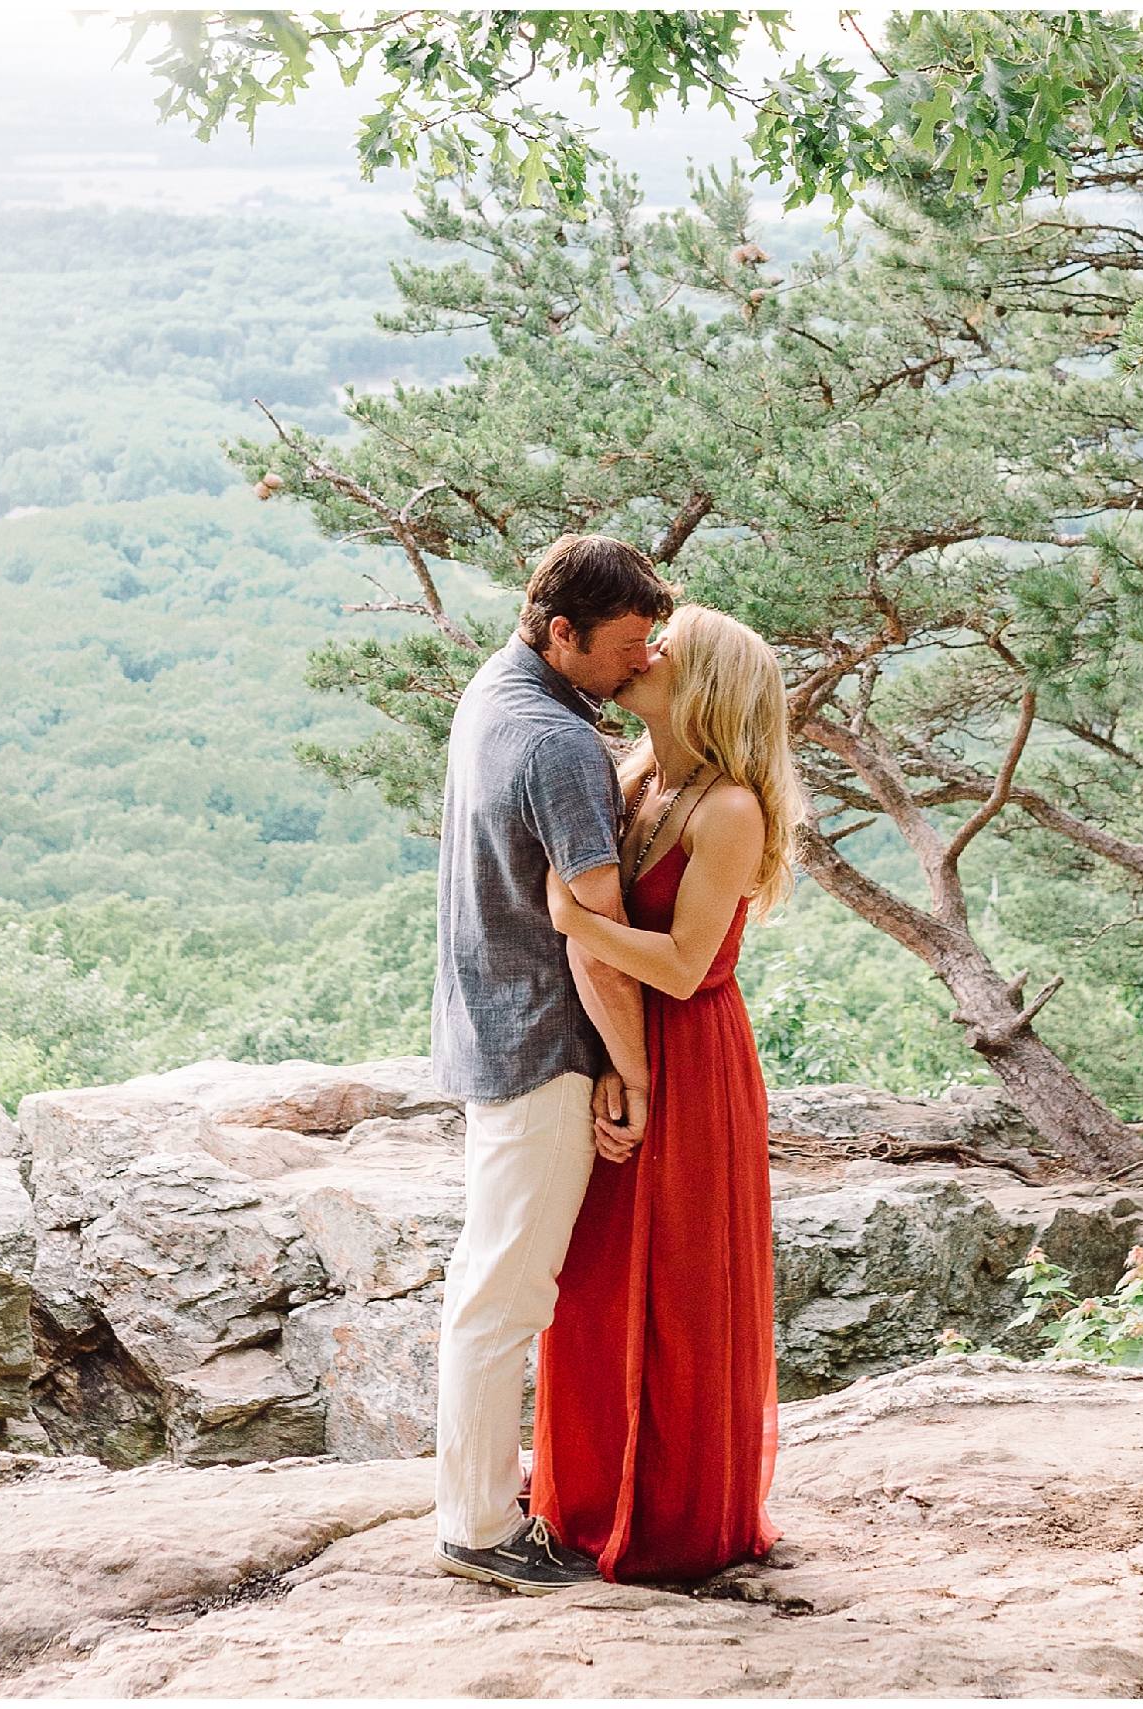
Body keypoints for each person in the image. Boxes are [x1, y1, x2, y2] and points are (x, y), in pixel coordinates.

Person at [532, 604, 801, 1583]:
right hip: (633, 1046)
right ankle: (594, 1491)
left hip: (692, 1056)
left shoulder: (729, 807)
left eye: (666, 649)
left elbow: (688, 965)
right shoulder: (639, 775)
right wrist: (612, 1046)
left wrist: (573, 917)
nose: (643, 654)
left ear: (706, 687)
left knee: (680, 1293)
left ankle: (675, 1514)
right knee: (600, 1281)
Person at [430, 533, 677, 1596]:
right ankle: (483, 1526)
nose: (642, 663)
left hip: (487, 1022)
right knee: (505, 1291)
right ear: (562, 631)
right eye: (626, 645)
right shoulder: (562, 746)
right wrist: (631, 1067)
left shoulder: (493, 692)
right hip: (542, 1041)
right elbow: (593, 930)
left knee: (488, 1279)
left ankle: (481, 1505)